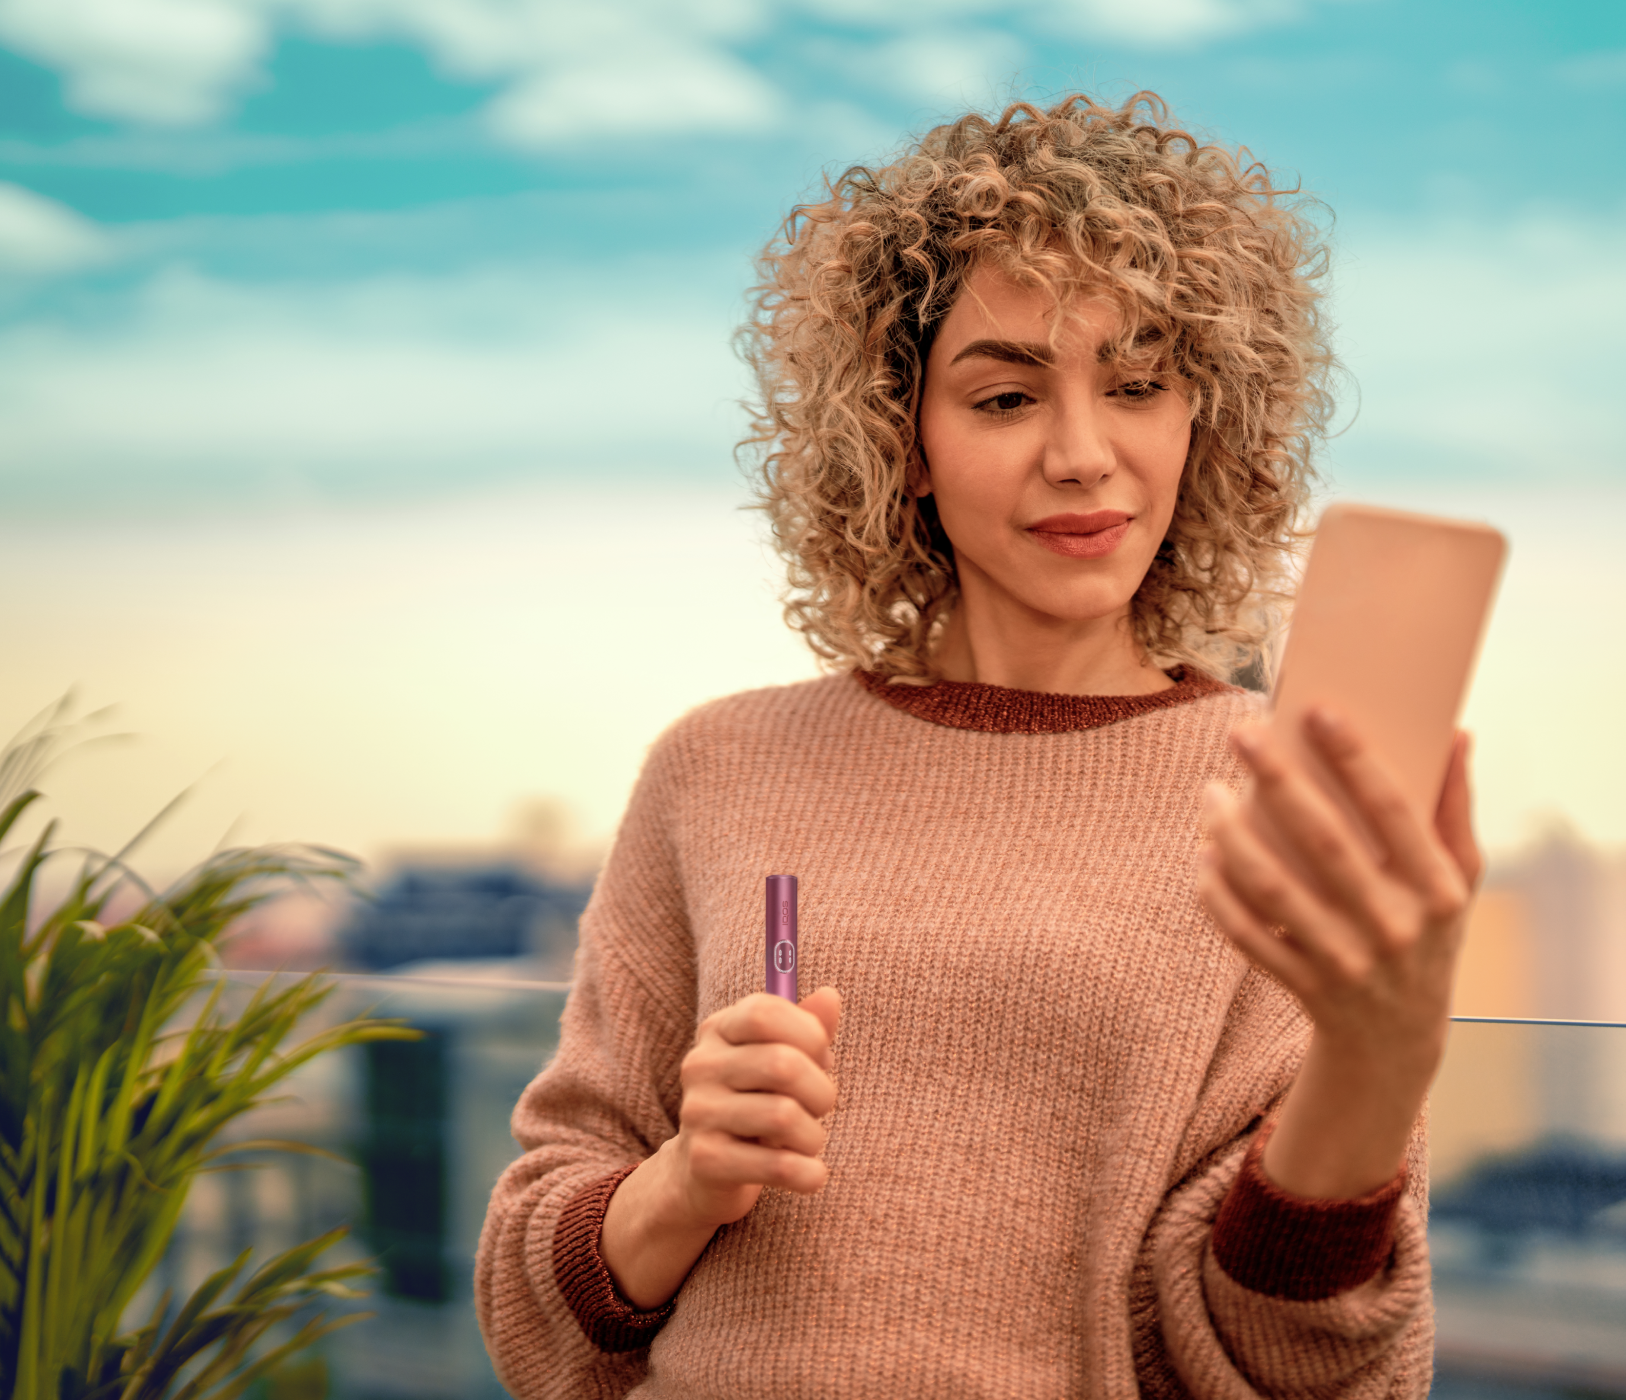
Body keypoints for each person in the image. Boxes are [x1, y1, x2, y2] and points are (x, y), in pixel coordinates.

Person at [476, 92, 1481, 1399]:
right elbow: (532, 1314)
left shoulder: (1280, 793)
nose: (1083, 455)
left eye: (1139, 385)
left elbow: (1302, 1365)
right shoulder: (715, 769)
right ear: (903, 441)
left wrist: (1380, 1066)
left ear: (1204, 420)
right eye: (1006, 396)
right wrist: (685, 1180)